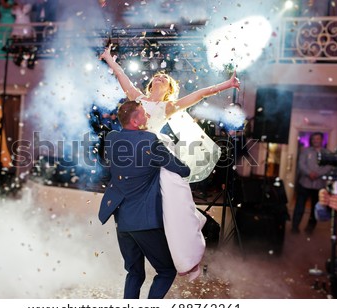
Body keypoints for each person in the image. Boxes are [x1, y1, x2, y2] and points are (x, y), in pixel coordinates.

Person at [99, 43, 240, 278]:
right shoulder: (137, 98)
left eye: (164, 78)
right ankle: (132, 237)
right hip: (131, 152)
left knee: (173, 196)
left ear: (169, 89)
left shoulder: (169, 106)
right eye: (157, 76)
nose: (160, 77)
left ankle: (186, 253)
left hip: (151, 154)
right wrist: (109, 59)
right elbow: (122, 77)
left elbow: (201, 93)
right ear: (152, 83)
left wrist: (227, 84)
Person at [98, 100, 191, 298]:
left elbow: (110, 172)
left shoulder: (113, 138)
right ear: (134, 121)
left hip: (122, 220)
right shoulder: (149, 140)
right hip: (144, 221)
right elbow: (181, 169)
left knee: (134, 273)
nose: (147, 116)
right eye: (143, 114)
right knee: (166, 271)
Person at [291, 132, 332, 234]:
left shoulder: (328, 153)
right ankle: (294, 227)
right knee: (299, 207)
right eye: (313, 139)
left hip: (319, 185)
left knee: (315, 209)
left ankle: (310, 228)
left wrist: (317, 174)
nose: (315, 141)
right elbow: (301, 164)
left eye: (317, 139)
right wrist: (309, 173)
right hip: (304, 184)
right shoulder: (305, 151)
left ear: (322, 140)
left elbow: (329, 167)